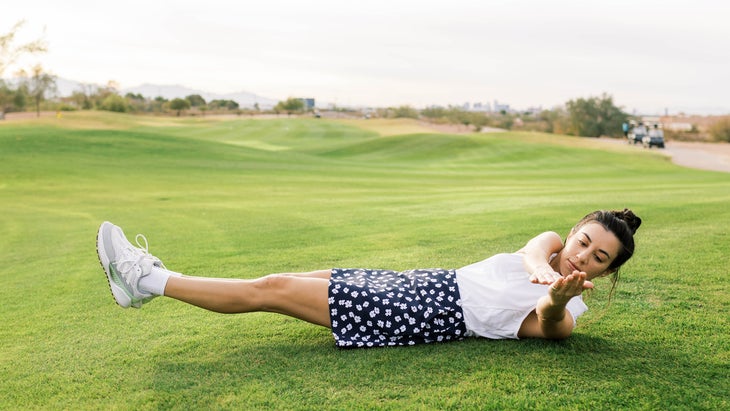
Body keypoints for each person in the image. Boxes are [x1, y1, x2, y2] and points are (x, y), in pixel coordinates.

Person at [97, 209, 641, 348]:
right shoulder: (548, 251)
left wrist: (554, 300)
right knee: (289, 277)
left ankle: (146, 279)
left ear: (607, 273)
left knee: (274, 289)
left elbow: (548, 323)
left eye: (598, 259)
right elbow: (534, 252)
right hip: (418, 282)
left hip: (425, 312)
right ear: (573, 234)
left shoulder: (568, 316)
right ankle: (150, 281)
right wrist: (547, 274)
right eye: (583, 243)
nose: (582, 258)